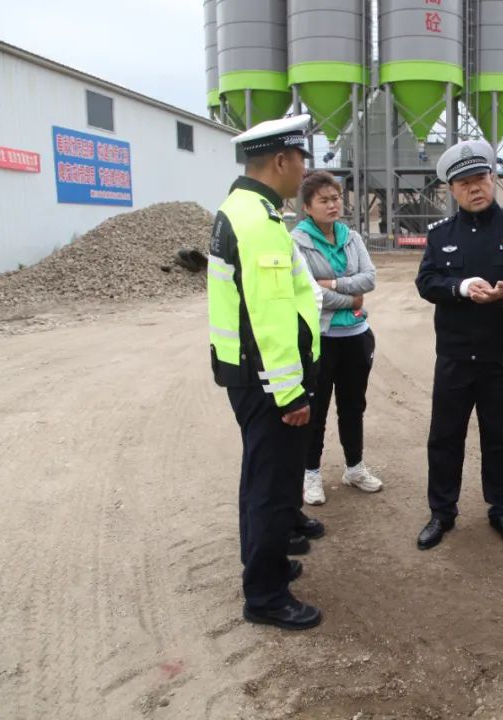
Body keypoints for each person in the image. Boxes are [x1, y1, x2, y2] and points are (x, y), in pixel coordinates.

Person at [207, 115, 325, 631]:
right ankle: (266, 595)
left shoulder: (244, 209)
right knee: (272, 488)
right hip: (266, 381)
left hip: (248, 375)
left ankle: (267, 561)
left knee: (261, 476)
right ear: (280, 160)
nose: (304, 171)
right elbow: (269, 316)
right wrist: (290, 393)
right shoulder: (257, 223)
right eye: (300, 160)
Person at [414, 140, 503, 550]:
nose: (475, 188)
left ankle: (501, 510)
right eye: (465, 183)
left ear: (493, 179)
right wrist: (459, 287)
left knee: (501, 439)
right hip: (455, 358)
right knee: (445, 439)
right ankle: (442, 513)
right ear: (452, 190)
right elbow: (426, 282)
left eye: (481, 178)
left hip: (500, 358)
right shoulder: (441, 235)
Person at [292, 171, 383, 505]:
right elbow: (308, 292)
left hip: (356, 336)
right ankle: (311, 474)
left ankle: (354, 468)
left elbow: (369, 278)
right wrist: (352, 299)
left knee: (353, 407)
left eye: (336, 199)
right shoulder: (296, 242)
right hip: (321, 338)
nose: (332, 205)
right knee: (315, 409)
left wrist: (331, 284)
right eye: (323, 200)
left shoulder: (351, 237)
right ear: (307, 207)